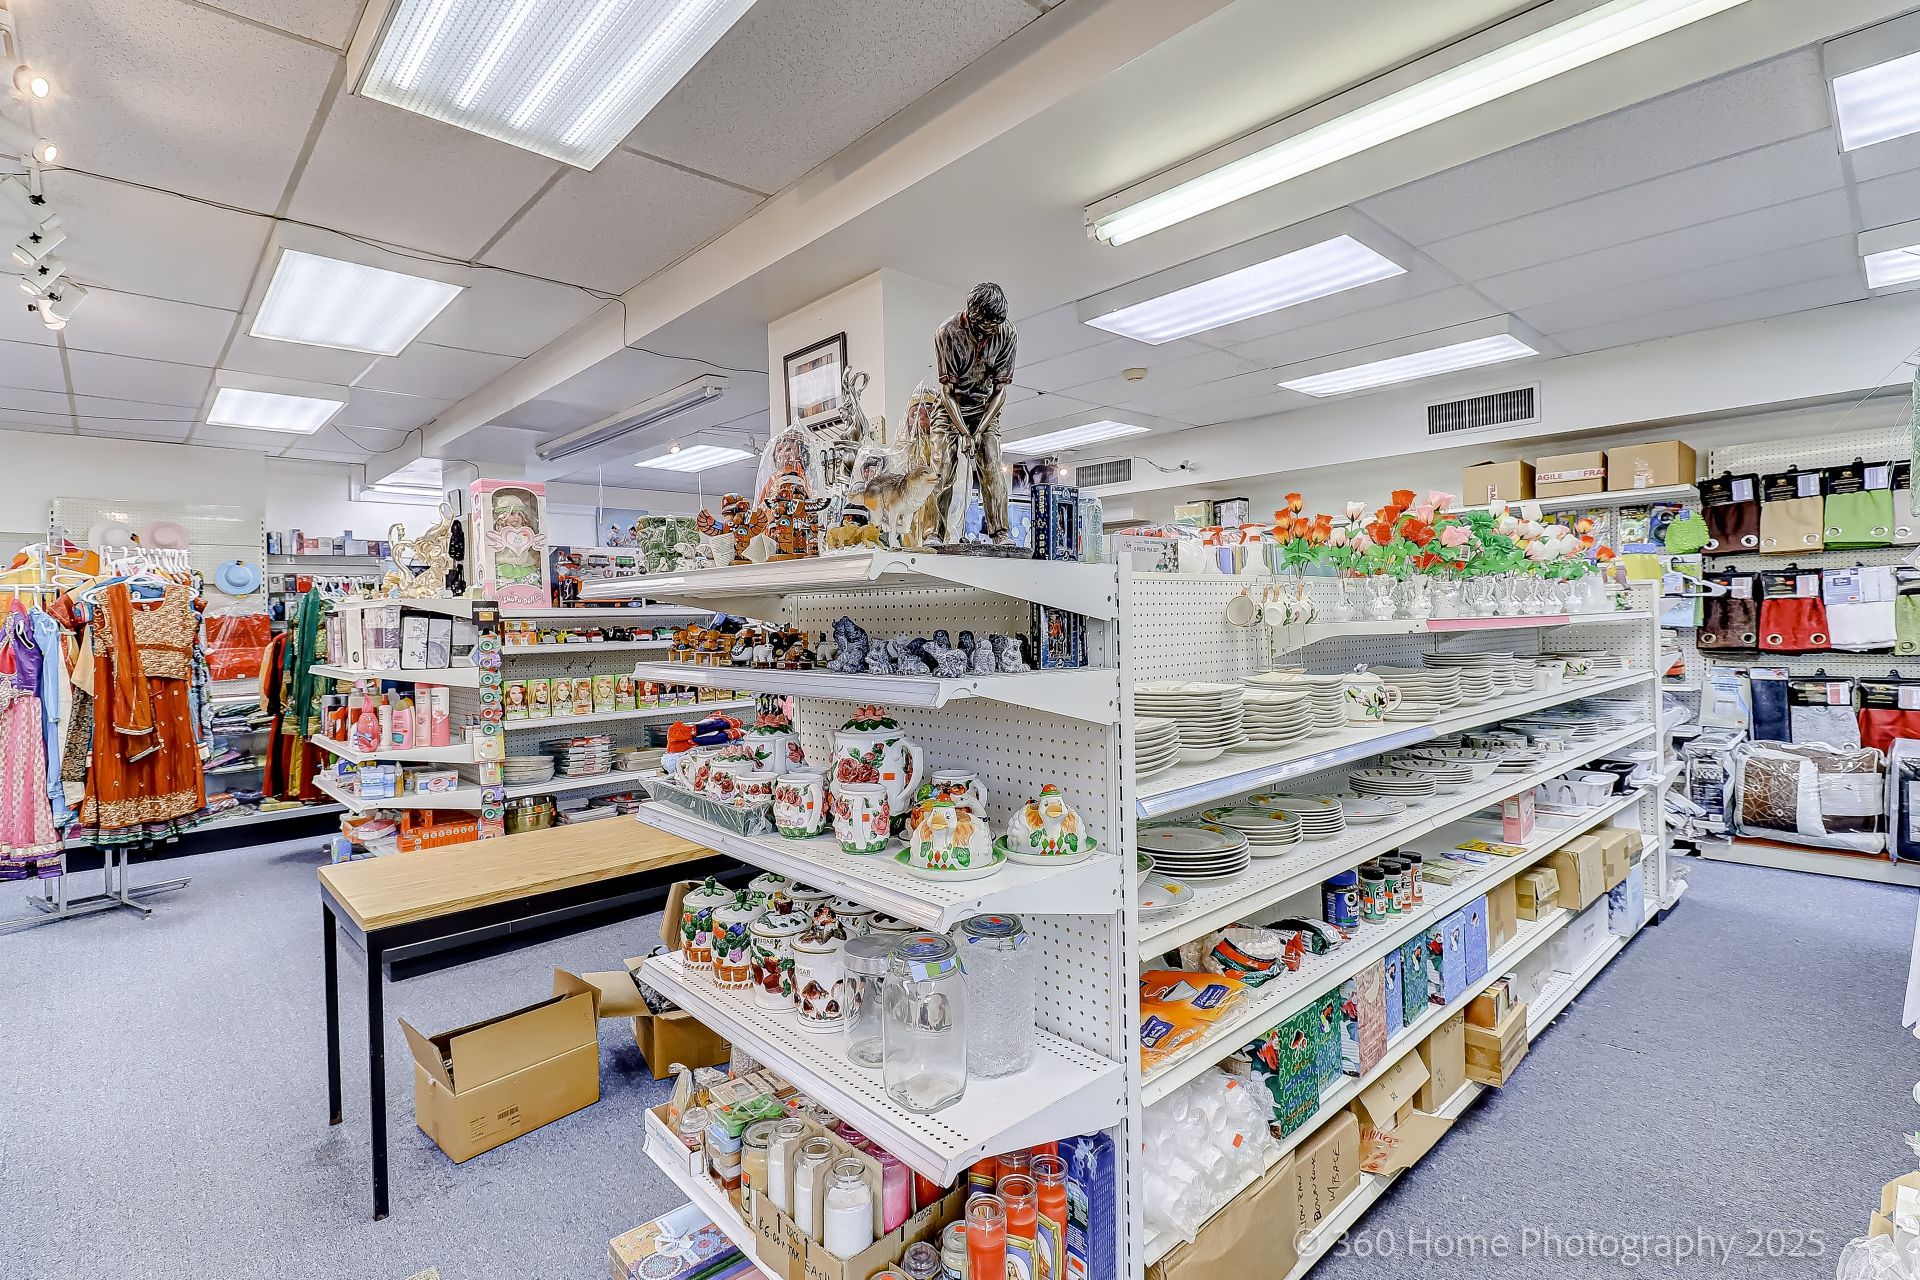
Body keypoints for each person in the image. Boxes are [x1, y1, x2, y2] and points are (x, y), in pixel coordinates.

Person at [930, 282, 1019, 546]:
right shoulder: (947, 332)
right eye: (988, 325)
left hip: (985, 408)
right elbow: (947, 392)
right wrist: (964, 433)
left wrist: (978, 431)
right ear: (973, 315)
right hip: (950, 407)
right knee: (941, 467)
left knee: (992, 463)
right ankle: (933, 532)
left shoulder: (1007, 333)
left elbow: (1000, 391)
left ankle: (1000, 532)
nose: (993, 330)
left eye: (996, 325)